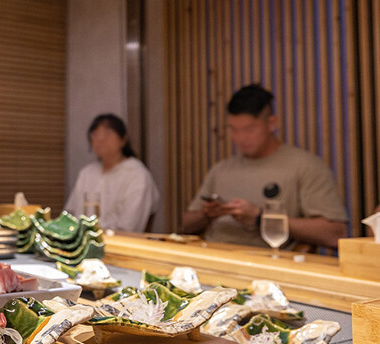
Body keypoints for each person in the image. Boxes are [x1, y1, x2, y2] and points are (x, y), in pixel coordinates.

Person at [181, 84, 347, 249]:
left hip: (268, 260)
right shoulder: (220, 169)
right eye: (234, 129)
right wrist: (206, 214)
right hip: (211, 255)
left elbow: (335, 233)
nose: (240, 138)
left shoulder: (305, 166)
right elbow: (185, 225)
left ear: (271, 123)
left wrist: (260, 218)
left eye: (249, 129)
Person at [65, 114, 159, 232]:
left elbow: (130, 226)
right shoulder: (87, 173)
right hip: (79, 238)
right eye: (95, 134)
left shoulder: (137, 175)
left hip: (118, 240)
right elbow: (70, 213)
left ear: (123, 139)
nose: (100, 139)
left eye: (107, 134)